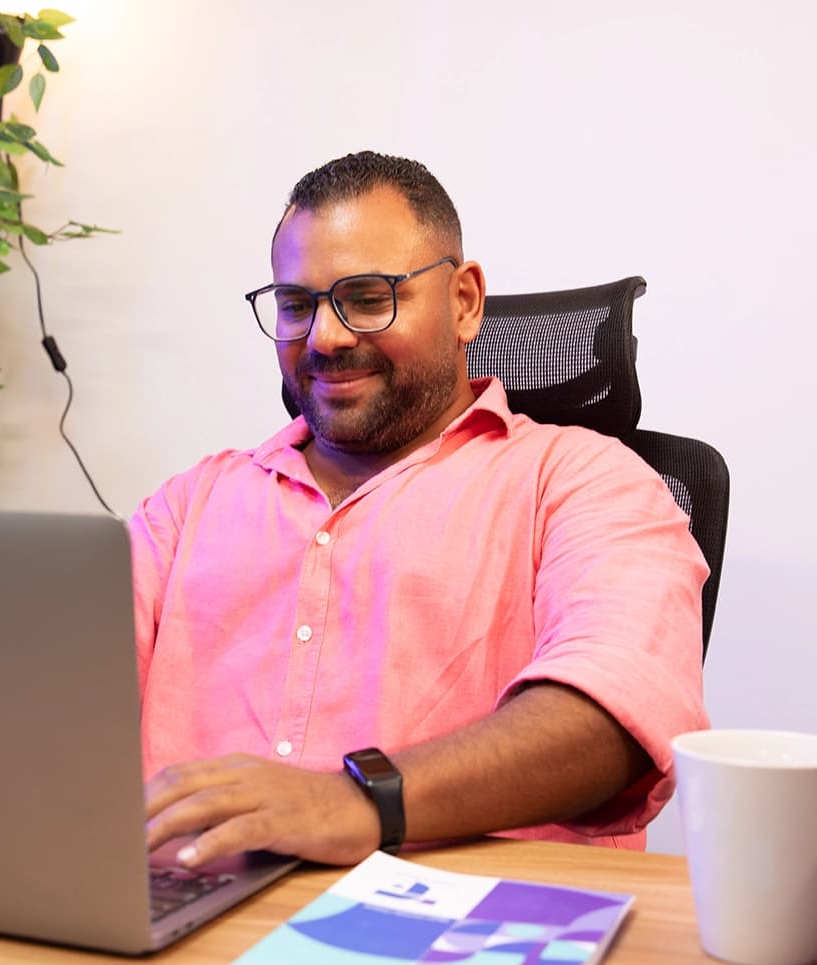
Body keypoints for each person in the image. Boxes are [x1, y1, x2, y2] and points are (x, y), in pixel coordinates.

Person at [133, 151, 708, 870]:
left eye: (368, 296)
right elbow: (47, 683)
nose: (326, 337)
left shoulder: (584, 481)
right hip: (174, 912)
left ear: (465, 302)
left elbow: (616, 714)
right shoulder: (190, 505)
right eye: (296, 304)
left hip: (458, 937)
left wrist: (355, 803)